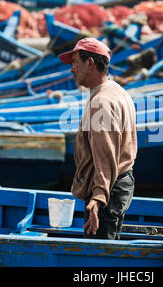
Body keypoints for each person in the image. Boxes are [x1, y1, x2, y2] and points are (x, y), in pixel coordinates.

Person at [58, 38, 137, 240]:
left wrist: (98, 198)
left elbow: (105, 155)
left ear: (90, 63)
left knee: (100, 257)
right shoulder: (119, 92)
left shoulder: (100, 102)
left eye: (75, 62)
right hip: (121, 183)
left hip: (106, 191)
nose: (71, 69)